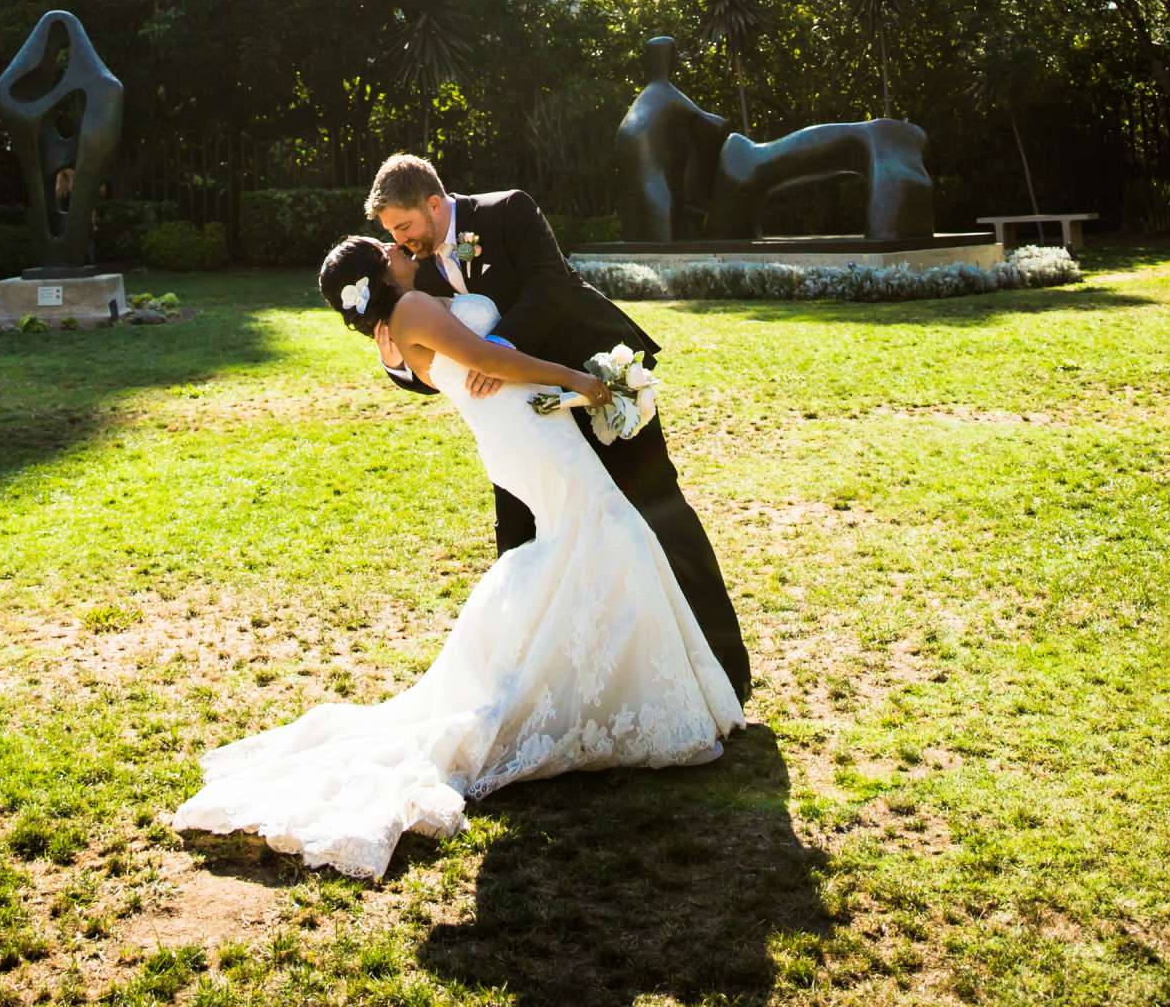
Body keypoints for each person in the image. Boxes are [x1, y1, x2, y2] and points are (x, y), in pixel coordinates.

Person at [171, 234, 742, 880]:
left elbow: (475, 352)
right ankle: (581, 692)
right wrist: (579, 380)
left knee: (587, 538)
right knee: (606, 529)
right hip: (528, 431)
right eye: (389, 247)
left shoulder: (394, 328)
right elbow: (484, 358)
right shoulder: (412, 311)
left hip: (513, 433)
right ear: (382, 270)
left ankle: (579, 683)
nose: (400, 247)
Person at [367, 153, 752, 704]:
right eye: (391, 235)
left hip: (592, 375)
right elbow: (436, 363)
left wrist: (495, 349)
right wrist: (395, 360)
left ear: (432, 204)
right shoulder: (416, 272)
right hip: (523, 424)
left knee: (657, 507)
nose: (401, 243)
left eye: (404, 226)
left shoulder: (508, 212)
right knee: (520, 540)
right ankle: (534, 695)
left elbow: (552, 285)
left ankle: (725, 666)